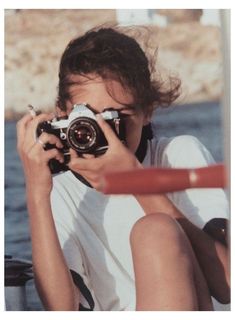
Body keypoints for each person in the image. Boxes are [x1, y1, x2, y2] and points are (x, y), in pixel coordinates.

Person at [17, 27, 230, 311]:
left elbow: (227, 286)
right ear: (62, 116)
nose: (106, 131)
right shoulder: (60, 193)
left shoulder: (178, 155)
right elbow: (61, 310)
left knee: (155, 230)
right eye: (91, 118)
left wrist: (135, 180)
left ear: (148, 110)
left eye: (119, 117)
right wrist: (36, 193)